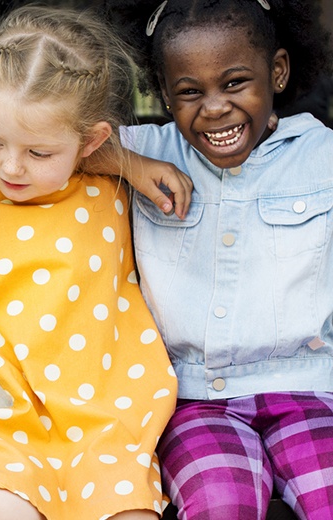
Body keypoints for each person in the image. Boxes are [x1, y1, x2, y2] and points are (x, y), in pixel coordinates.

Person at [0, 6, 177, 519]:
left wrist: (129, 163)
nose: (11, 166)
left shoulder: (116, 192)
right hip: (2, 425)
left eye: (38, 152)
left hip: (109, 428)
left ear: (92, 142)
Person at [103, 0, 333, 517]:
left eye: (234, 83)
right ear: (163, 93)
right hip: (196, 400)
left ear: (276, 72)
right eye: (189, 91)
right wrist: (127, 162)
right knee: (218, 502)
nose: (213, 107)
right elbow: (33, 140)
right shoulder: (148, 149)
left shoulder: (323, 156)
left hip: (314, 391)